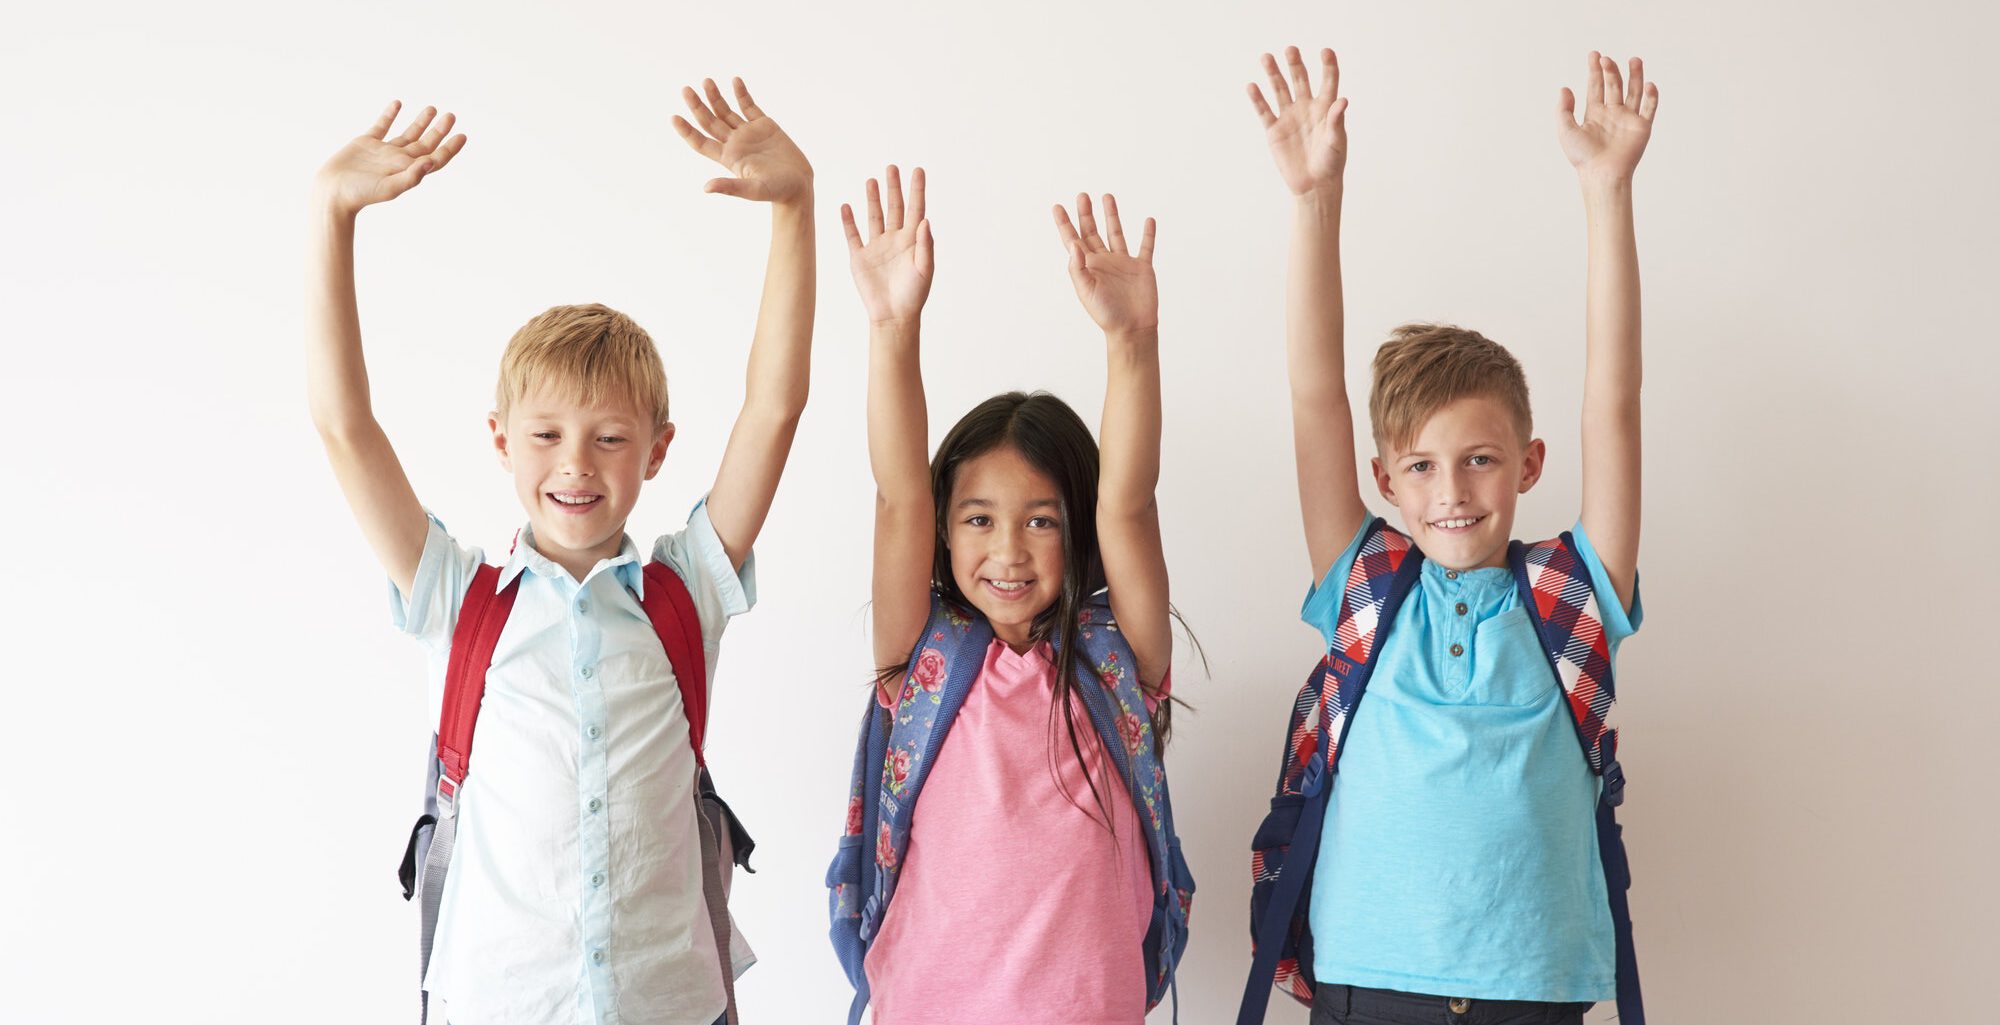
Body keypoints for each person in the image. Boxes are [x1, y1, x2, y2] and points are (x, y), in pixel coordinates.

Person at [305, 78, 814, 1025]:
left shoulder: (686, 590)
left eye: (610, 438)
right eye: (545, 436)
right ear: (500, 440)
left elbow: (775, 406)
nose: (576, 464)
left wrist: (793, 208)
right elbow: (345, 426)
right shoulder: (458, 596)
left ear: (658, 447)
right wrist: (333, 218)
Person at [1248, 45, 1659, 1025]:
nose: (1451, 491)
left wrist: (1606, 193)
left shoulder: (1568, 592)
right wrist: (1314, 201)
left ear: (1527, 463)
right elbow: (1314, 397)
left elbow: (1616, 403)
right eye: (1421, 467)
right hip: (1365, 977)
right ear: (1384, 479)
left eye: (1478, 458)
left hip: (1534, 982)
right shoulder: (1366, 582)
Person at [834, 165, 1186, 1025]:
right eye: (980, 519)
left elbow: (1129, 503)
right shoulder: (920, 657)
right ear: (946, 532)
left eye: (1041, 521)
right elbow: (898, 496)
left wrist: (1132, 341)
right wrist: (891, 327)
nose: (1007, 551)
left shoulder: (1115, 663)